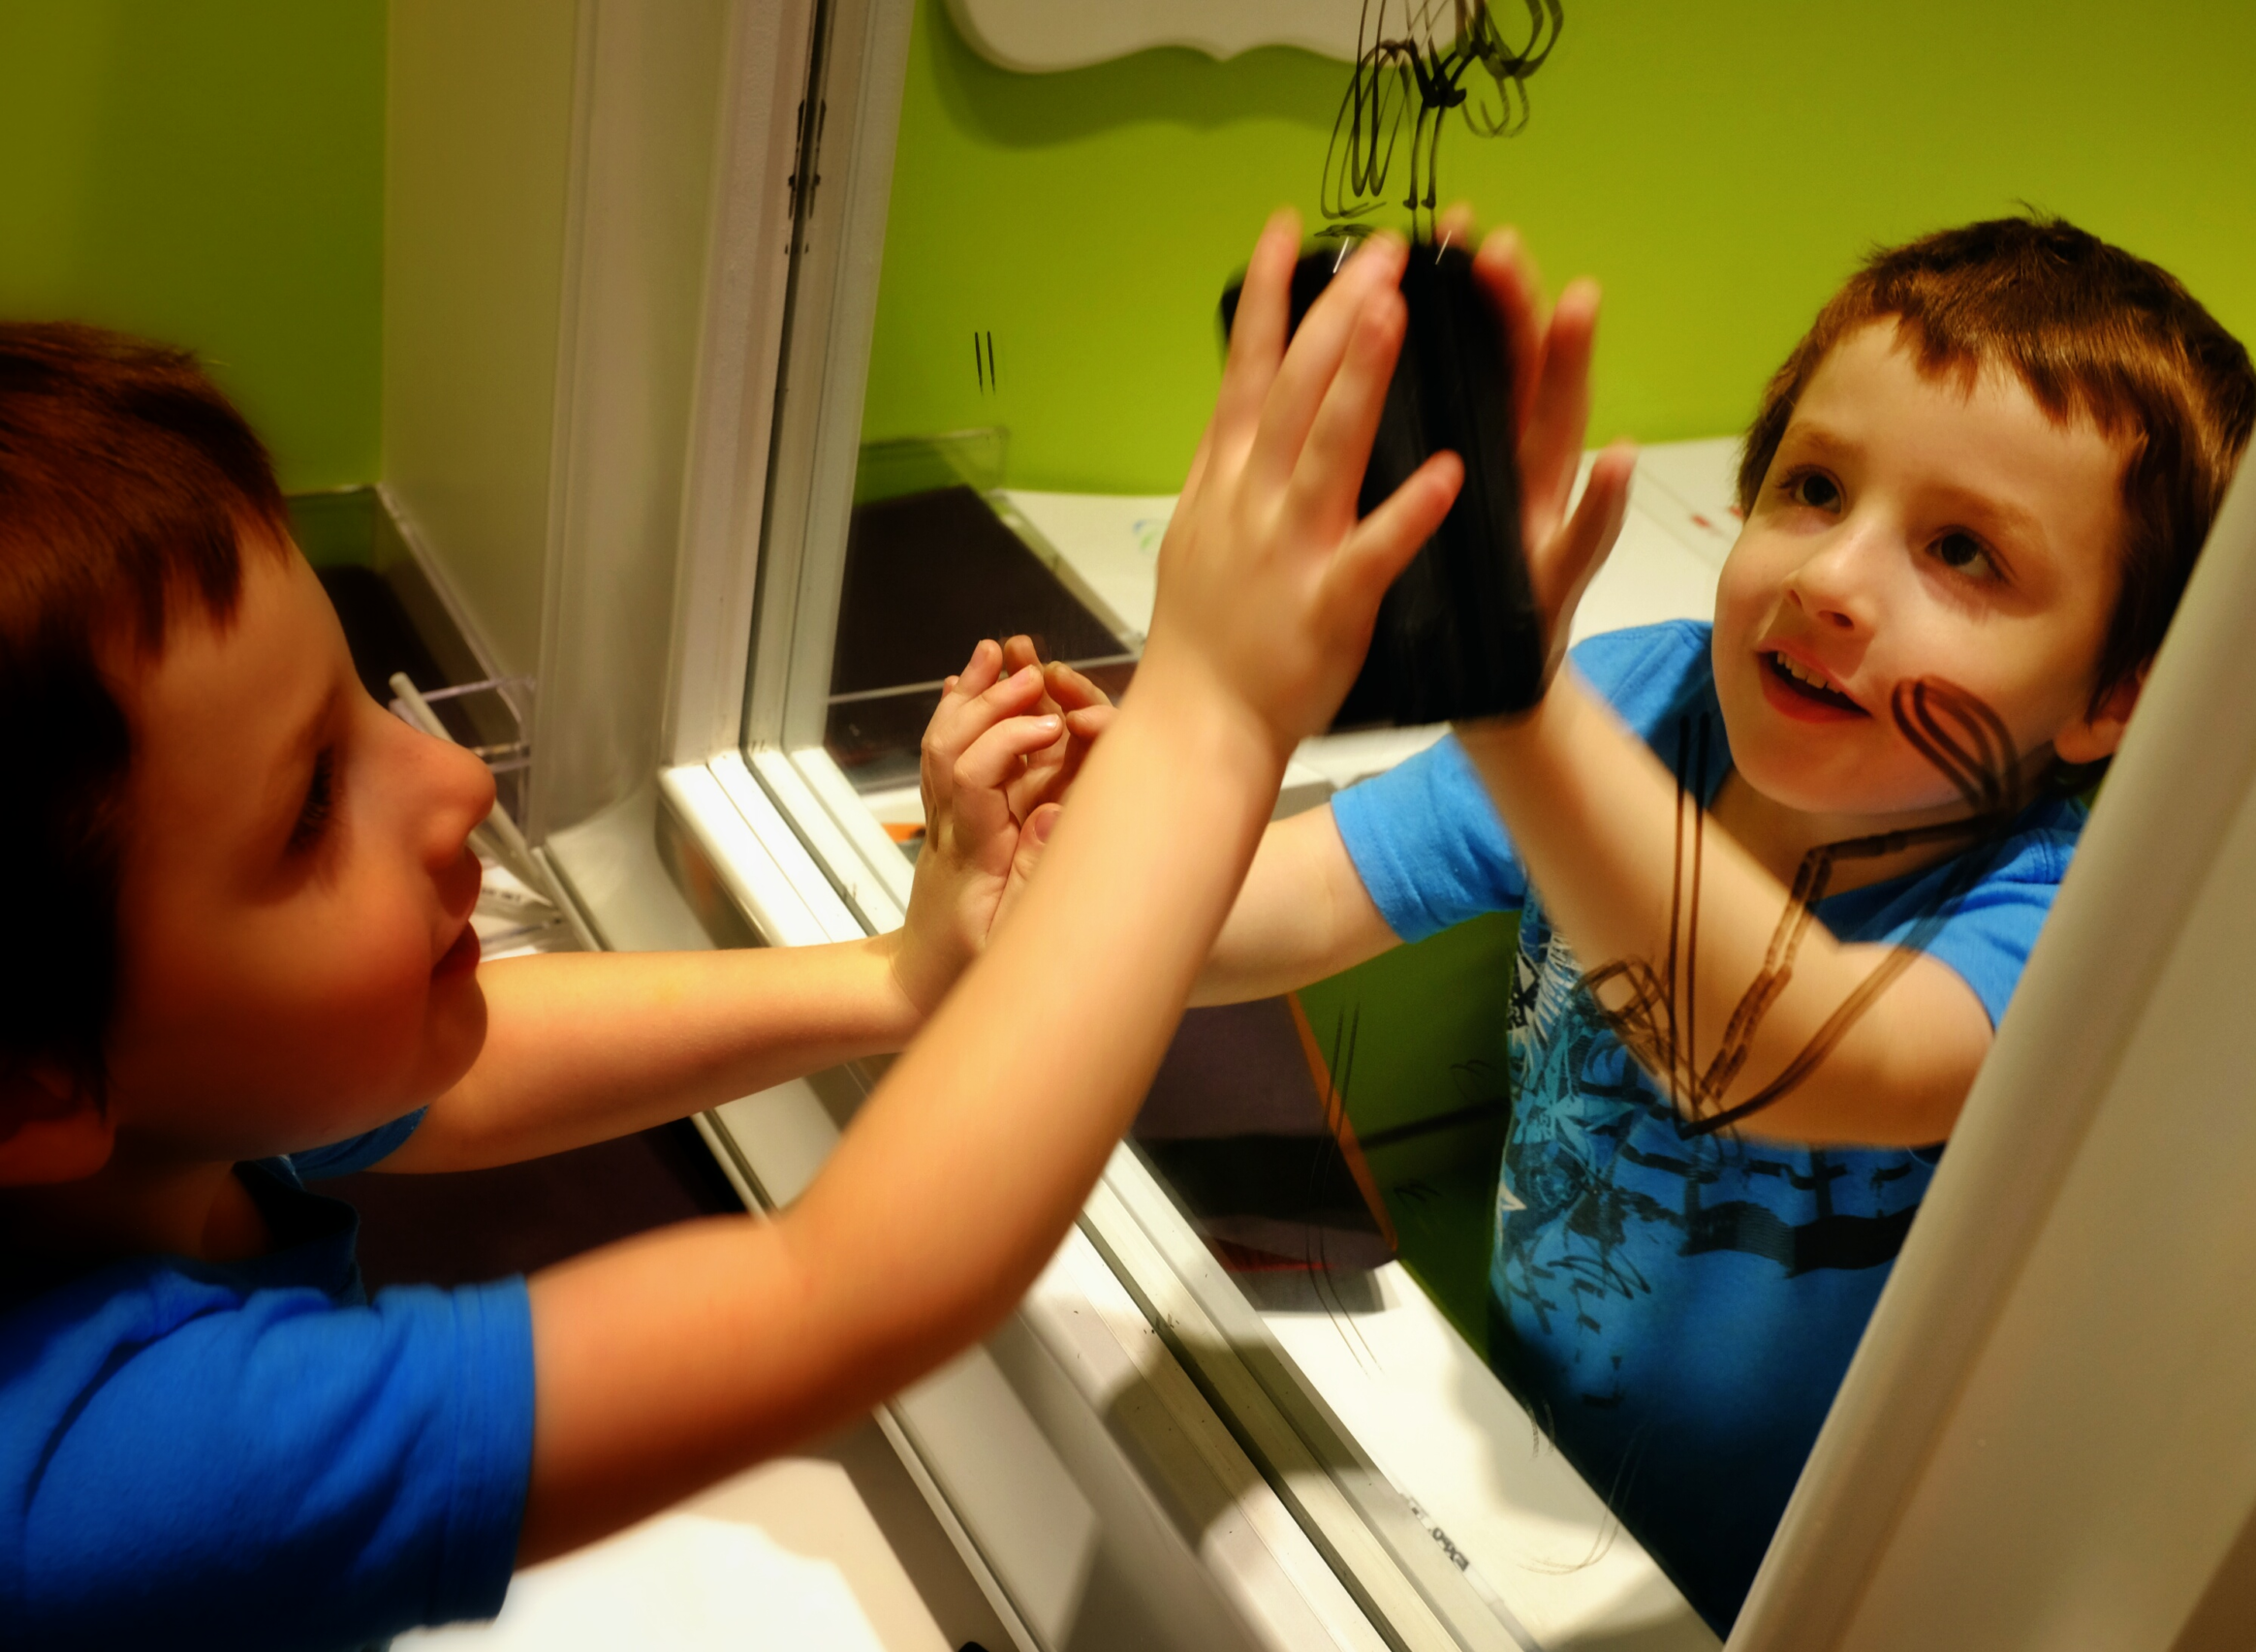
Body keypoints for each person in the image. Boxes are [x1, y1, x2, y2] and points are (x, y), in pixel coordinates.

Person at [0, 209, 1451, 1650]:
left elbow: (456, 1068)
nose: (448, 782)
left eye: (362, 707)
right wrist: (1212, 713)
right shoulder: (108, 1474)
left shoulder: (162, 1121)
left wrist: (902, 975)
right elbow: (842, 1295)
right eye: (312, 803)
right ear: (38, 1085)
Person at [1187, 214, 2256, 1633]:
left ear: (2112, 698)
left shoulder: (2059, 912)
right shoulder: (1638, 704)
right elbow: (1295, 899)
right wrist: (1050, 870)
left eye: (1963, 552)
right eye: (1815, 489)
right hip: (1530, 1482)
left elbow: (1782, 1055)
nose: (1830, 578)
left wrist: (1511, 697)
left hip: (1819, 1596)